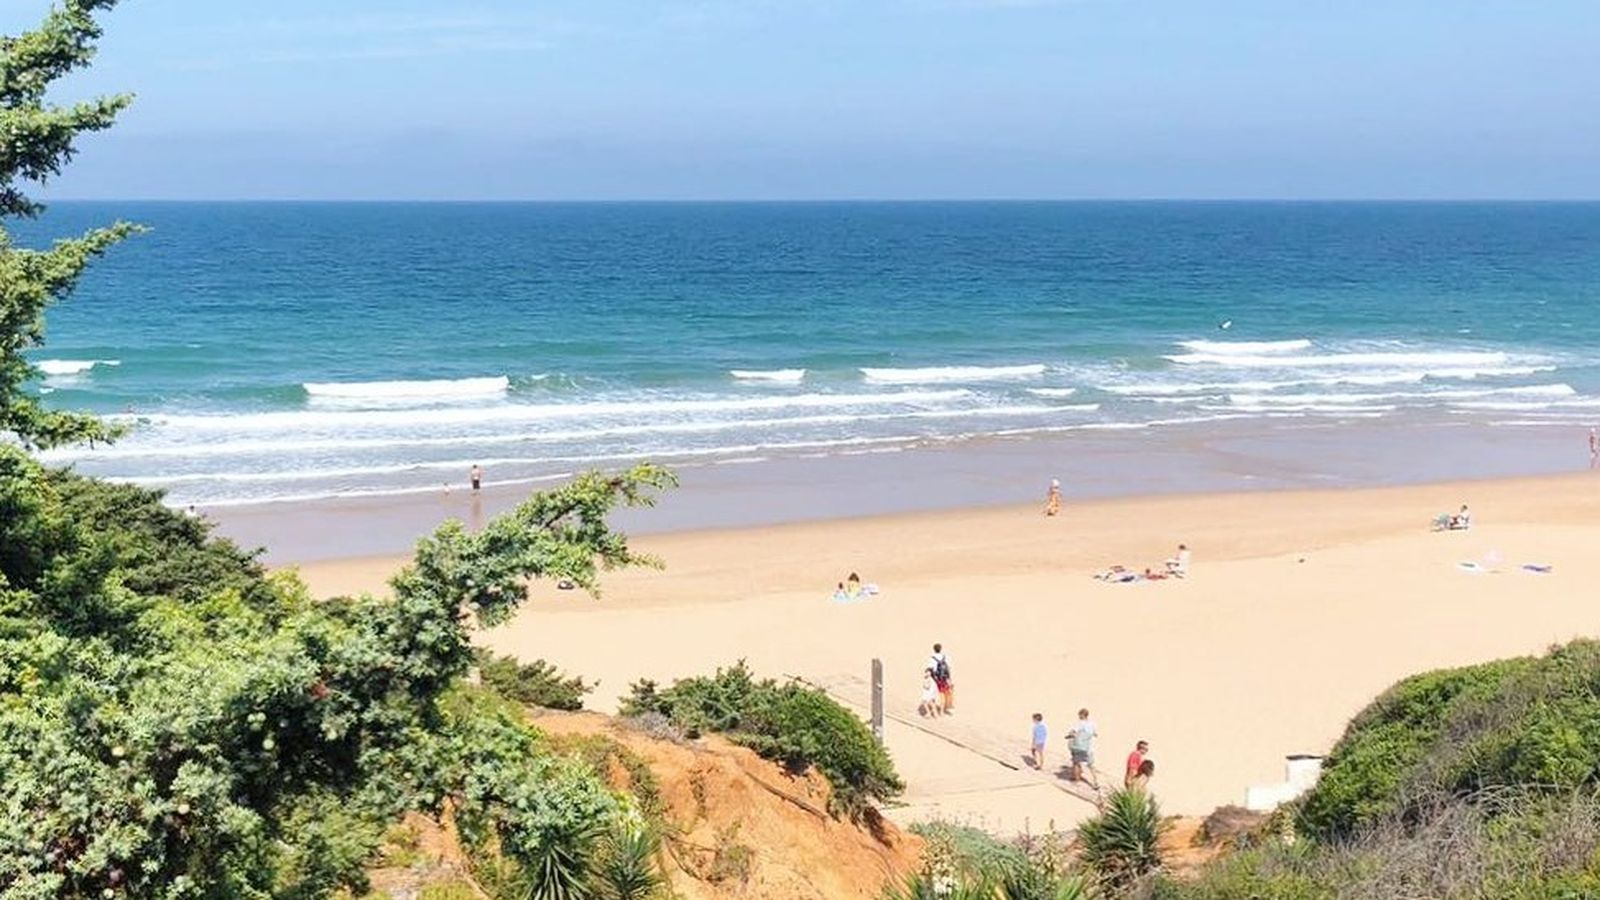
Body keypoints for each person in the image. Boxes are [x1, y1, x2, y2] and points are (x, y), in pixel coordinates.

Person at [1066, 708, 1098, 788]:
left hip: (1079, 747)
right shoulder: (1092, 724)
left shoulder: (1079, 724)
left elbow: (1072, 732)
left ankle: (1077, 779)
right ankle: (1095, 781)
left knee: (1076, 763)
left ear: (1081, 715)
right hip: (1089, 748)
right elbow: (1095, 734)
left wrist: (1069, 736)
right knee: (1091, 765)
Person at [929, 643, 954, 714]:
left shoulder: (932, 659)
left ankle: (941, 711)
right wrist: (950, 679)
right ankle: (947, 707)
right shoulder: (945, 657)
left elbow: (930, 669)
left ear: (934, 649)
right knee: (947, 692)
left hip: (938, 679)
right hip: (946, 678)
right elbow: (949, 668)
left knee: (941, 694)